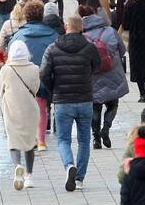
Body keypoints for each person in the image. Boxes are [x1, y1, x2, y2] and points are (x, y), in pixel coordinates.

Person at [39, 15, 101, 192]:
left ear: (66, 27)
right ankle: (79, 178)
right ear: (80, 28)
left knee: (64, 140)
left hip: (63, 100)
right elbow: (97, 66)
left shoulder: (53, 48)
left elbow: (43, 73)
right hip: (85, 99)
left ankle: (68, 165)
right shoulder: (89, 48)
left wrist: (53, 89)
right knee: (84, 140)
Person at [10, 0, 59, 150]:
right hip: (44, 77)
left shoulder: (19, 35)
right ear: (42, 15)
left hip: (24, 79)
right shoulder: (53, 34)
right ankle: (41, 141)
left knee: (25, 109)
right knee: (42, 108)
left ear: (25, 15)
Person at [79, 5, 128, 149]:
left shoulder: (82, 37)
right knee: (113, 104)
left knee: (95, 108)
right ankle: (105, 128)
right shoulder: (111, 31)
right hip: (113, 74)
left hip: (93, 76)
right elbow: (123, 50)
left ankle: (96, 139)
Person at [0, 40, 41, 190]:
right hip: (30, 109)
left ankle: (17, 166)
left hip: (11, 108)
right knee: (29, 143)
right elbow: (36, 89)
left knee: (13, 140)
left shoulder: (6, 70)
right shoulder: (35, 68)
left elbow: (0, 90)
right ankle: (29, 176)